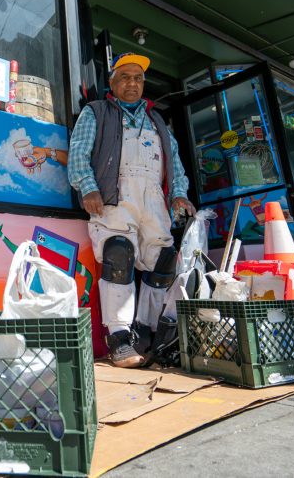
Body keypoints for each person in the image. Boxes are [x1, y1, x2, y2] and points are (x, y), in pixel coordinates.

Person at [68, 52, 195, 367]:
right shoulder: (96, 112)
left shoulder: (158, 122)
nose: (132, 83)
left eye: (138, 78)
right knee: (118, 254)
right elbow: (78, 154)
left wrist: (179, 195)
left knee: (164, 261)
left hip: (153, 200)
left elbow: (175, 165)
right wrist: (88, 187)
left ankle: (145, 331)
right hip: (116, 195)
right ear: (112, 82)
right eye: (125, 76)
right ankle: (120, 338)